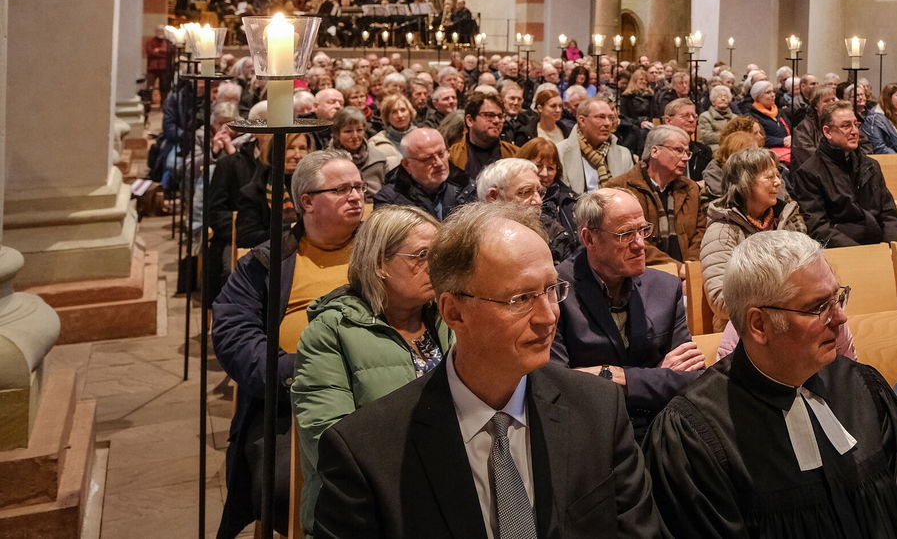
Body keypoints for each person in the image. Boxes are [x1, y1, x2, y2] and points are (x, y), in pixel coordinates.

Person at [311, 202, 666, 538]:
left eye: (550, 290)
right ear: (454, 313)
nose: (548, 317)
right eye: (521, 299)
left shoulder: (598, 409)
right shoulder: (367, 449)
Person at [643, 230, 897, 537]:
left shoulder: (862, 387)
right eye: (819, 307)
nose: (840, 318)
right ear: (759, 325)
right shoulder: (692, 434)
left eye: (838, 298)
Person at [213, 150, 365, 538]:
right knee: (281, 487)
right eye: (342, 188)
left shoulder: (380, 252)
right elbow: (235, 335)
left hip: (377, 395)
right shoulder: (267, 262)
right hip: (290, 404)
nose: (356, 196)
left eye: (359, 187)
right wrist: (306, 372)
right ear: (306, 202)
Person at [290, 205, 450, 533]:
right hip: (367, 508)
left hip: (449, 491)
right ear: (379, 264)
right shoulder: (331, 331)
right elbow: (328, 440)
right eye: (421, 255)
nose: (435, 266)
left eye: (440, 254)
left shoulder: (448, 318)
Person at [550, 188, 704, 436]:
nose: (641, 244)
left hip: (660, 431)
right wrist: (656, 374)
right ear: (589, 239)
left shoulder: (666, 287)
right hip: (589, 434)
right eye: (625, 234)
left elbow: (692, 378)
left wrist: (619, 376)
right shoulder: (556, 291)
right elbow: (556, 385)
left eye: (643, 230)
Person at [701, 147, 806, 326]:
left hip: (792, 320)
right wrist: (784, 299)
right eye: (769, 177)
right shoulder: (722, 230)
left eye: (777, 175)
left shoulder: (786, 218)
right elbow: (721, 301)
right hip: (744, 330)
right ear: (745, 183)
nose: (778, 182)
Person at [789, 99, 897, 247]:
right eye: (846, 126)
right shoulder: (809, 173)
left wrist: (892, 245)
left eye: (855, 125)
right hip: (843, 252)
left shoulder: (871, 166)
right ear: (827, 132)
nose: (855, 132)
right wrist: (860, 253)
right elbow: (818, 227)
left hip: (879, 245)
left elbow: (889, 214)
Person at [612, 124, 708, 264]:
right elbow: (630, 239)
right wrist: (675, 268)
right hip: (643, 272)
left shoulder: (690, 188)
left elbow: (701, 231)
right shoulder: (621, 189)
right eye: (678, 150)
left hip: (688, 271)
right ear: (655, 151)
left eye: (687, 152)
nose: (686, 158)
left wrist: (691, 265)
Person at [233, 130, 314, 248]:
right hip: (273, 259)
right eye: (290, 148)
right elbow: (247, 239)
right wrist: (290, 230)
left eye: (302, 148)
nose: (297, 155)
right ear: (274, 151)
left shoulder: (316, 187)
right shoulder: (254, 192)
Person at [373, 127, 473, 220]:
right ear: (407, 164)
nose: (439, 163)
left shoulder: (466, 186)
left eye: (441, 154)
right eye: (427, 158)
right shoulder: (389, 202)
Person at [556, 96, 635, 193]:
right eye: (601, 117)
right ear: (582, 120)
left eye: (611, 118)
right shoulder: (560, 152)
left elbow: (629, 195)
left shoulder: (624, 154)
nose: (607, 123)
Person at [447, 91, 518, 185]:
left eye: (500, 116)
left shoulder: (515, 154)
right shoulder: (452, 156)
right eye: (489, 115)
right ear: (470, 120)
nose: (497, 121)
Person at [328, 106, 388, 194]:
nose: (355, 136)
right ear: (337, 134)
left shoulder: (379, 158)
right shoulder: (327, 162)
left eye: (359, 130)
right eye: (348, 131)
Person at [743, 79, 793, 163]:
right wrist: (782, 141)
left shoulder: (779, 112)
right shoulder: (751, 115)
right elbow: (756, 138)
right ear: (758, 96)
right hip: (767, 155)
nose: (773, 95)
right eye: (768, 92)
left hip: (787, 151)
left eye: (773, 92)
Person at [366, 94, 414, 171]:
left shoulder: (424, 136)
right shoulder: (375, 143)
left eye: (403, 110)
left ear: (410, 112)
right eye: (394, 112)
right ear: (387, 117)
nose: (400, 115)